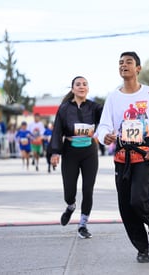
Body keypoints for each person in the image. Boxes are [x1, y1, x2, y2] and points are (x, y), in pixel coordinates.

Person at [97, 51, 149, 263]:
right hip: (122, 156)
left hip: (144, 155)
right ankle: (142, 248)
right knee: (126, 207)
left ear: (138, 68)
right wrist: (105, 136)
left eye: (128, 62)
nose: (123, 65)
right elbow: (104, 125)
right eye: (120, 62)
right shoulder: (113, 96)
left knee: (138, 199)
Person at [49, 76, 103, 239]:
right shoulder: (64, 108)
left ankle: (83, 224)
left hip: (89, 152)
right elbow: (57, 130)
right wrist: (55, 152)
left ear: (88, 88)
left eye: (85, 84)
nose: (81, 86)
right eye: (78, 84)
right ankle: (70, 206)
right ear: (72, 89)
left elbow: (107, 120)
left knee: (88, 189)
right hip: (70, 151)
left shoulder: (95, 107)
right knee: (69, 190)